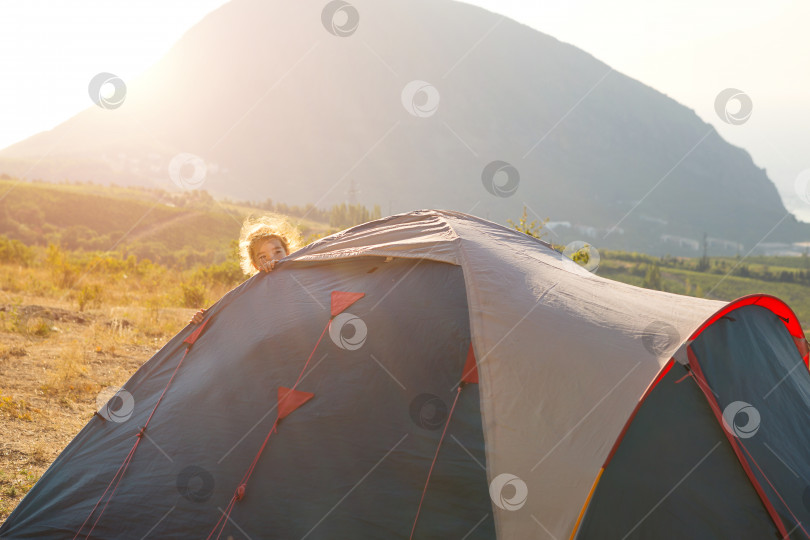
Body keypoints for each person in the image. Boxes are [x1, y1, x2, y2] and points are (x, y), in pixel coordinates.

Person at [190, 215, 301, 324]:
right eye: (263, 257)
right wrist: (205, 319)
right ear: (255, 265)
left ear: (287, 253)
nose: (272, 259)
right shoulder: (249, 293)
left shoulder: (301, 277)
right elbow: (228, 319)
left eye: (277, 252)